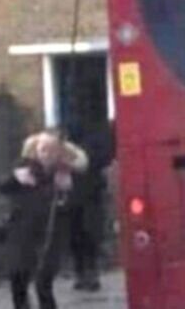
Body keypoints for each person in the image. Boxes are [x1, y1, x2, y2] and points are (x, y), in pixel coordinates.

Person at [0, 129, 88, 309]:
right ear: (36, 149)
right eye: (43, 149)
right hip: (22, 232)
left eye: (52, 149)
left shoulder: (65, 174)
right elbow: (2, 186)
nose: (47, 154)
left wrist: (68, 191)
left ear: (60, 152)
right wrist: (15, 178)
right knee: (18, 279)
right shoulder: (25, 167)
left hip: (51, 235)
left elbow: (80, 205)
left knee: (43, 283)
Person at [66, 120, 113, 291]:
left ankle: (82, 274)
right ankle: (90, 274)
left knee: (77, 238)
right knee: (89, 237)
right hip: (89, 200)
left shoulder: (67, 151)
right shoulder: (92, 148)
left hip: (74, 200)